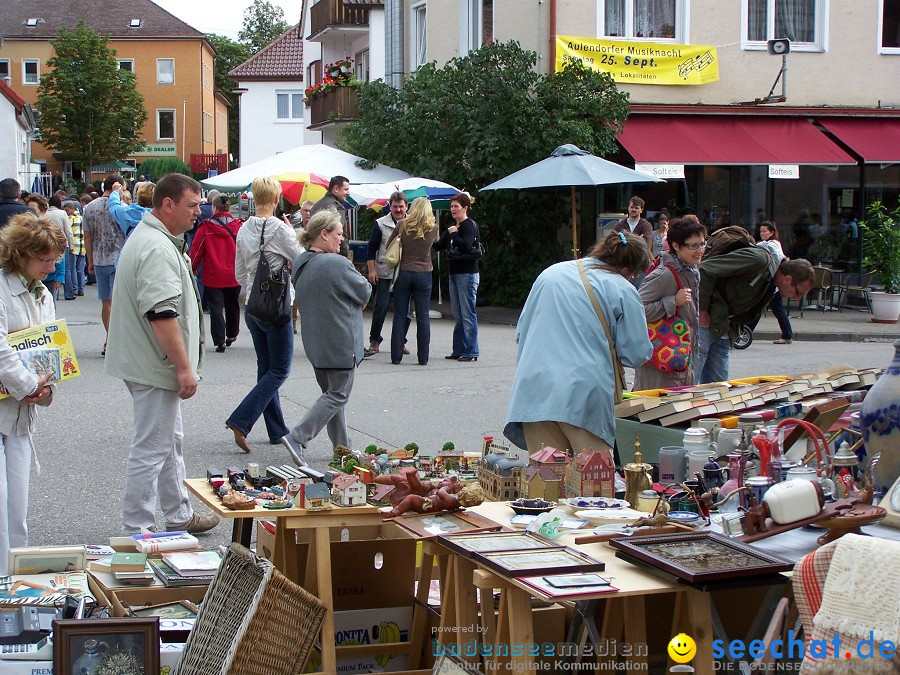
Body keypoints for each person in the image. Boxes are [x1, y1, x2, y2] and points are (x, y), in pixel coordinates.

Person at [105, 173, 219, 535]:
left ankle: (178, 513)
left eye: (199, 205)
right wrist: (184, 368)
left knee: (169, 442)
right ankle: (136, 528)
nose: (198, 213)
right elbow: (162, 313)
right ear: (167, 205)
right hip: (154, 364)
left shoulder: (156, 238)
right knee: (153, 447)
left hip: (151, 362)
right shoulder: (156, 246)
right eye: (191, 205)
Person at [504, 231, 653, 457]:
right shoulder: (622, 288)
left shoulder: (550, 274)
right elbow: (636, 353)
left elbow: (521, 332)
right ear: (626, 270)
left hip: (535, 390)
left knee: (547, 481)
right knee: (594, 482)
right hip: (584, 396)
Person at [0, 213, 65, 575]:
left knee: (17, 512)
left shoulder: (43, 294)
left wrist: (46, 387)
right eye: (45, 259)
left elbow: (52, 352)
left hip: (22, 416)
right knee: (0, 514)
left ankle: (14, 584)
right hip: (8, 406)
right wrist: (28, 385)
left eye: (55, 258)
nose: (51, 266)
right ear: (20, 254)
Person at [281, 209, 371, 465]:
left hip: (316, 344)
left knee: (332, 397)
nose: (342, 239)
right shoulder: (336, 263)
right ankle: (298, 436)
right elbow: (364, 291)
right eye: (339, 234)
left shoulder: (301, 261)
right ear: (324, 234)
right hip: (341, 342)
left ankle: (342, 448)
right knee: (337, 396)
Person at [226, 177, 301, 454]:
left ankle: (276, 429)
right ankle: (241, 420)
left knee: (266, 368)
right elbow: (301, 258)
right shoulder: (281, 230)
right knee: (280, 369)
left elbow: (237, 272)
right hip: (277, 305)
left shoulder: (243, 229)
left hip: (252, 305)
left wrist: (249, 289)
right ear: (276, 197)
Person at [696, 237, 815, 384]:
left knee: (717, 389)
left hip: (723, 328)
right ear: (787, 279)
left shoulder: (771, 282)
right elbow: (705, 269)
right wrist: (702, 313)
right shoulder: (758, 260)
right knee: (689, 386)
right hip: (706, 322)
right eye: (798, 292)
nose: (797, 298)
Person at [633, 215, 706, 391]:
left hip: (680, 360)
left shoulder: (691, 270)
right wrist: (672, 302)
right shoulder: (665, 274)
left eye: (703, 244)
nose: (700, 250)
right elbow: (636, 309)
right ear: (675, 246)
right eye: (693, 246)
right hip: (661, 367)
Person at [387, 197, 438, 365]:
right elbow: (434, 248)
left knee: (400, 315)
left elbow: (389, 245)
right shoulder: (433, 228)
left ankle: (396, 357)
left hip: (404, 272)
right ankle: (423, 358)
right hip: (424, 273)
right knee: (423, 316)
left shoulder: (402, 225)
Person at [190, 194, 242, 353]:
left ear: (214, 208)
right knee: (233, 305)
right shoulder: (238, 226)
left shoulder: (206, 228)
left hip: (213, 275)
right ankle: (232, 334)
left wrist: (191, 268)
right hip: (234, 274)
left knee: (216, 308)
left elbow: (196, 251)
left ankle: (220, 341)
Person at [83, 175, 127, 356]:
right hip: (121, 257)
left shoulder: (89, 207)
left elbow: (87, 235)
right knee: (121, 302)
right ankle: (118, 340)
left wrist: (90, 260)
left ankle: (109, 338)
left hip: (100, 258)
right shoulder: (122, 208)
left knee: (106, 302)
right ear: (119, 187)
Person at [433, 193, 480, 362]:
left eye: (456, 206)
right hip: (454, 274)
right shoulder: (452, 227)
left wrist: (453, 234)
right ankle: (459, 349)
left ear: (465, 208)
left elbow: (466, 246)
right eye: (451, 206)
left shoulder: (469, 226)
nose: (453, 209)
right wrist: (428, 232)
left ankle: (471, 351)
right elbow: (438, 246)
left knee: (468, 313)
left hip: (467, 274)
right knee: (458, 315)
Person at [367, 192, 410, 355]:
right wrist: (371, 270)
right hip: (384, 272)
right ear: (390, 206)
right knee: (381, 308)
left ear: (406, 206)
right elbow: (372, 248)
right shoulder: (380, 223)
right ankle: (375, 340)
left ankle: (401, 342)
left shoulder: (412, 223)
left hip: (405, 272)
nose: (398, 209)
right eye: (395, 206)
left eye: (401, 206)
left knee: (404, 311)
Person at [754, 221, 794, 345]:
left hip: (772, 282)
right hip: (771, 281)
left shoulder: (773, 244)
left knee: (760, 307)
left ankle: (787, 335)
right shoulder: (767, 244)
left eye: (765, 231)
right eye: (761, 231)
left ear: (771, 232)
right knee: (767, 307)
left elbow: (779, 258)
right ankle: (787, 334)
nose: (762, 233)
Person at [613, 196, 654, 287]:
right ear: (628, 208)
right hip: (623, 267)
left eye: (636, 208)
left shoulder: (646, 225)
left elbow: (646, 245)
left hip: (640, 267)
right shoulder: (620, 225)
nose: (633, 210)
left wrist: (625, 240)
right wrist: (638, 239)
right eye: (631, 207)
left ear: (641, 210)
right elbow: (613, 242)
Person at [310, 176, 351, 257]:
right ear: (336, 189)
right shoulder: (337, 206)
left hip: (314, 253)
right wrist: (344, 257)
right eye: (346, 189)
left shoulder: (316, 205)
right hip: (334, 255)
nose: (348, 193)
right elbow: (339, 233)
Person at [62, 200, 86, 299]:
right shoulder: (82, 218)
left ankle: (74, 288)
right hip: (83, 246)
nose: (66, 212)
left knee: (72, 269)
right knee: (80, 269)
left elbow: (69, 232)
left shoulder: (70, 219)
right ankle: (81, 288)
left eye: (67, 210)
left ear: (72, 209)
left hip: (74, 246)